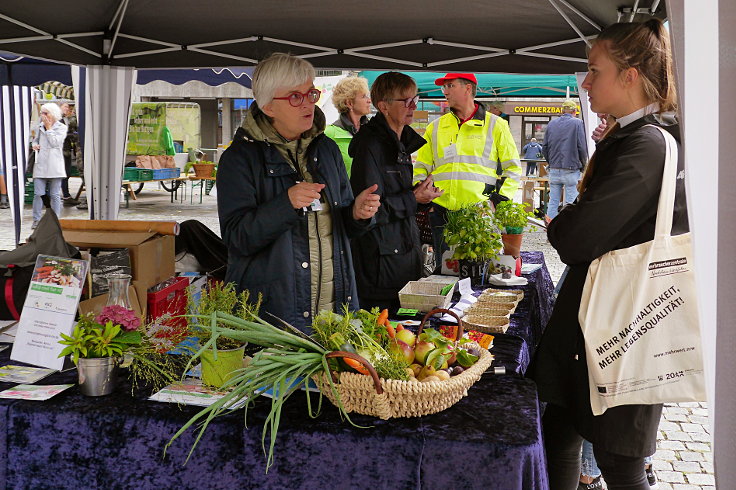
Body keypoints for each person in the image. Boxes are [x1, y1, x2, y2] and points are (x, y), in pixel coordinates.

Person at [528, 19, 685, 489]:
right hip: (604, 324)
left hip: (626, 327)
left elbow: (574, 238)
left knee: (619, 460)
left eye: (594, 70)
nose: (586, 82)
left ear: (630, 74)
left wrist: (565, 219)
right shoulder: (635, 137)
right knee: (562, 433)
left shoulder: (647, 144)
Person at [216, 53, 380, 333]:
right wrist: (286, 204)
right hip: (275, 316)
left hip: (335, 308)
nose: (308, 104)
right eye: (295, 97)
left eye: (311, 93)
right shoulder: (239, 159)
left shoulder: (326, 149)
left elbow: (342, 229)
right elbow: (237, 239)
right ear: (268, 106)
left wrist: (357, 213)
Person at [348, 72, 442, 311]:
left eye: (415, 99)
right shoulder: (372, 145)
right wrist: (413, 198)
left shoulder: (399, 142)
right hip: (381, 266)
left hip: (402, 256)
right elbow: (370, 210)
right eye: (406, 101)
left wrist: (420, 197)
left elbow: (395, 196)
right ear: (384, 106)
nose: (413, 106)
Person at [414, 73, 522, 269]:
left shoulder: (496, 125)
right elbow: (421, 167)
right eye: (443, 87)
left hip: (478, 213)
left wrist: (497, 201)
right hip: (441, 212)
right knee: (445, 270)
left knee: (478, 270)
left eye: (450, 86)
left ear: (468, 88)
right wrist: (424, 198)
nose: (445, 91)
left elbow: (513, 169)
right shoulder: (435, 127)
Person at [542, 99, 588, 222]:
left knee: (553, 202)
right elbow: (582, 147)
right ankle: (567, 230)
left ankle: (549, 229)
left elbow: (545, 147)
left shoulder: (552, 123)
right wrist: (584, 165)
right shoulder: (578, 123)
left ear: (562, 111)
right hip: (571, 168)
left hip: (554, 169)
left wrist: (551, 162)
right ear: (575, 111)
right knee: (570, 203)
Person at [31, 102, 68, 229]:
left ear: (52, 114)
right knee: (38, 193)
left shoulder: (61, 127)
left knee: (54, 194)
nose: (42, 116)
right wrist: (34, 145)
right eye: (42, 113)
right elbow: (34, 140)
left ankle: (55, 220)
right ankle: (36, 220)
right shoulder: (39, 127)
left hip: (55, 165)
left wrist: (49, 129)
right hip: (40, 163)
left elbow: (55, 143)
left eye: (45, 113)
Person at [325, 76, 371, 177]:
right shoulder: (329, 134)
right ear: (349, 103)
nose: (369, 101)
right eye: (364, 96)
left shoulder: (373, 132)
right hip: (346, 192)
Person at [59, 102, 78, 204]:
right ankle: (66, 196)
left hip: (66, 150)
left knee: (66, 173)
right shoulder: (58, 120)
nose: (68, 109)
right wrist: (72, 135)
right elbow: (62, 134)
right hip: (62, 151)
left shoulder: (65, 119)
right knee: (64, 173)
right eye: (65, 106)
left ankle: (66, 195)